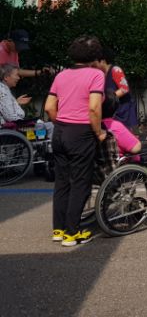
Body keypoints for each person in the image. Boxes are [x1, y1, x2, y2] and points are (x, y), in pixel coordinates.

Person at [44, 35, 108, 247]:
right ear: (95, 56)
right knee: (81, 182)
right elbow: (93, 108)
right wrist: (98, 132)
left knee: (62, 181)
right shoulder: (96, 75)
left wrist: (62, 122)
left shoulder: (62, 75)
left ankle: (59, 229)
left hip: (60, 131)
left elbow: (49, 107)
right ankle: (73, 232)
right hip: (81, 133)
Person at [101, 46, 138, 131]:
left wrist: (107, 99)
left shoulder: (115, 70)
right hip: (113, 109)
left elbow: (124, 89)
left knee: (126, 133)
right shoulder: (101, 74)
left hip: (124, 109)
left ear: (103, 61)